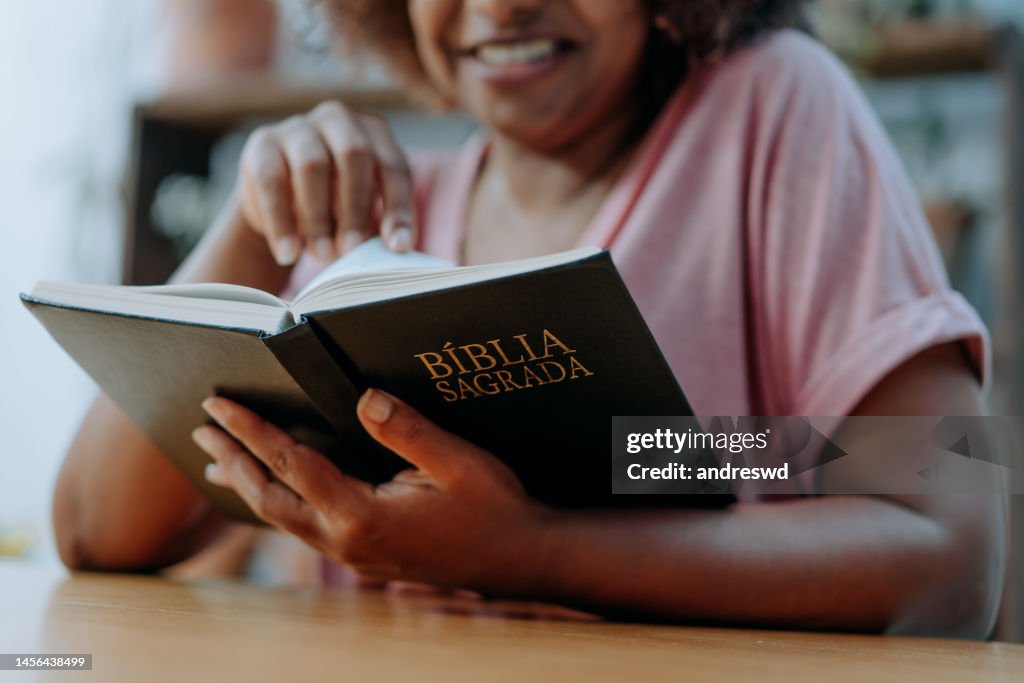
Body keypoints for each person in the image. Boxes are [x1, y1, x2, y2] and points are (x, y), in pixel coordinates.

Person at [53, 0, 1005, 637]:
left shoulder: (768, 110)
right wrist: (251, 225)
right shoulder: (376, 225)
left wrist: (537, 545)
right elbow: (97, 534)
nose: (501, 5)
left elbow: (953, 530)